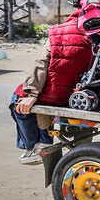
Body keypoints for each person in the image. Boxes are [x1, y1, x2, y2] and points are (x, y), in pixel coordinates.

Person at [11, 11, 93, 164]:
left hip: (58, 95)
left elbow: (41, 62)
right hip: (84, 94)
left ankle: (36, 146)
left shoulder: (57, 32)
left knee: (17, 100)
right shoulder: (99, 33)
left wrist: (32, 94)